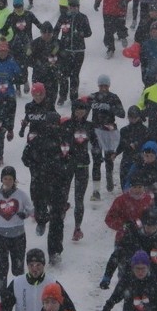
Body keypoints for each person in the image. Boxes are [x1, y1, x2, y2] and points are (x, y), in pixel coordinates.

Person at [21, 111, 70, 265]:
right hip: (41, 183)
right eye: (50, 124)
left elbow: (71, 158)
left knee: (57, 219)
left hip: (57, 184)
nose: (52, 127)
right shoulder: (37, 140)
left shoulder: (64, 141)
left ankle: (55, 251)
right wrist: (36, 168)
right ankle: (41, 220)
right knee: (42, 209)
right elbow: (25, 158)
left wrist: (63, 169)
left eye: (54, 124)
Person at [1, 248, 76, 311]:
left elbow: (70, 309)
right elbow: (4, 307)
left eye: (38, 265)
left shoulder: (52, 283)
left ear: (43, 265)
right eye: (31, 265)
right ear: (27, 266)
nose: (35, 269)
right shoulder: (17, 283)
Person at [101, 206, 157, 289]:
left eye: (153, 226)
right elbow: (116, 256)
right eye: (147, 226)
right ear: (143, 224)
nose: (150, 229)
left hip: (155, 283)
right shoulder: (131, 237)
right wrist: (107, 276)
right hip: (132, 280)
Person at [0, 166, 34, 293]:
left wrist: (25, 214)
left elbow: (31, 210)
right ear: (1, 180)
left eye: (10, 179)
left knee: (18, 269)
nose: (7, 181)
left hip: (18, 236)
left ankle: (18, 292)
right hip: (0, 236)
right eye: (5, 179)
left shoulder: (21, 195)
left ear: (14, 180)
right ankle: (3, 295)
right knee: (2, 268)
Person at [63, 98, 99, 241]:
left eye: (82, 110)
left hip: (83, 164)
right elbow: (61, 142)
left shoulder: (90, 126)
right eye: (77, 109)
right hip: (67, 164)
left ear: (86, 111)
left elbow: (95, 144)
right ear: (73, 110)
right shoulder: (66, 125)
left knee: (79, 199)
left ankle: (77, 227)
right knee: (63, 195)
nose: (80, 112)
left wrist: (98, 157)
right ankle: (60, 216)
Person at [85, 75, 126, 194]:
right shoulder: (93, 97)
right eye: (101, 85)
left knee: (109, 159)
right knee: (96, 161)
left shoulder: (113, 97)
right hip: (95, 132)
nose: (103, 88)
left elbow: (122, 114)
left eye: (105, 86)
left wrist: (111, 108)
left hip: (109, 132)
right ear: (98, 86)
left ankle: (109, 178)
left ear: (109, 86)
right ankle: (96, 190)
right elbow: (84, 112)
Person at [0, 0, 42, 93]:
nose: (17, 9)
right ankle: (17, 87)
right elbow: (5, 29)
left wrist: (46, 29)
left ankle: (25, 81)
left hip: (27, 44)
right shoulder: (11, 16)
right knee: (15, 65)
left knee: (25, 64)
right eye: (15, 7)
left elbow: (39, 24)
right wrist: (1, 32)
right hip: (15, 44)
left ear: (22, 5)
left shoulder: (29, 15)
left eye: (19, 6)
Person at [54, 0, 92, 105]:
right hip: (65, 50)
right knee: (63, 75)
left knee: (74, 75)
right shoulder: (63, 17)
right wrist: (57, 42)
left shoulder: (83, 17)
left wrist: (81, 33)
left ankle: (74, 97)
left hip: (78, 51)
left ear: (78, 7)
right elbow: (56, 30)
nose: (73, 8)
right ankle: (62, 95)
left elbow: (89, 33)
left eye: (75, 6)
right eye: (71, 6)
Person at [105, 176, 154, 246]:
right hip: (123, 239)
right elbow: (109, 219)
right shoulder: (120, 200)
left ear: (144, 188)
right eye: (134, 187)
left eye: (140, 187)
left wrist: (149, 222)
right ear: (130, 188)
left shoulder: (148, 199)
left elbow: (155, 217)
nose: (137, 190)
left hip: (144, 239)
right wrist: (123, 225)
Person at [26, 22, 65, 106]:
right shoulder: (34, 43)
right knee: (38, 101)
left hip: (52, 75)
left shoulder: (58, 43)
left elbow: (64, 58)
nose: (47, 35)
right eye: (44, 33)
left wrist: (56, 63)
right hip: (38, 76)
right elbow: (27, 58)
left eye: (49, 33)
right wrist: (37, 64)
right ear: (41, 33)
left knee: (51, 100)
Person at [116, 105, 148, 188]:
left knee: (139, 184)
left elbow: (147, 145)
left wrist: (137, 145)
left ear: (139, 117)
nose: (133, 119)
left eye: (135, 117)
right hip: (127, 158)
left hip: (141, 159)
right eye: (131, 117)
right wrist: (115, 153)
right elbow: (121, 145)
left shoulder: (145, 130)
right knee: (125, 181)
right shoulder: (124, 130)